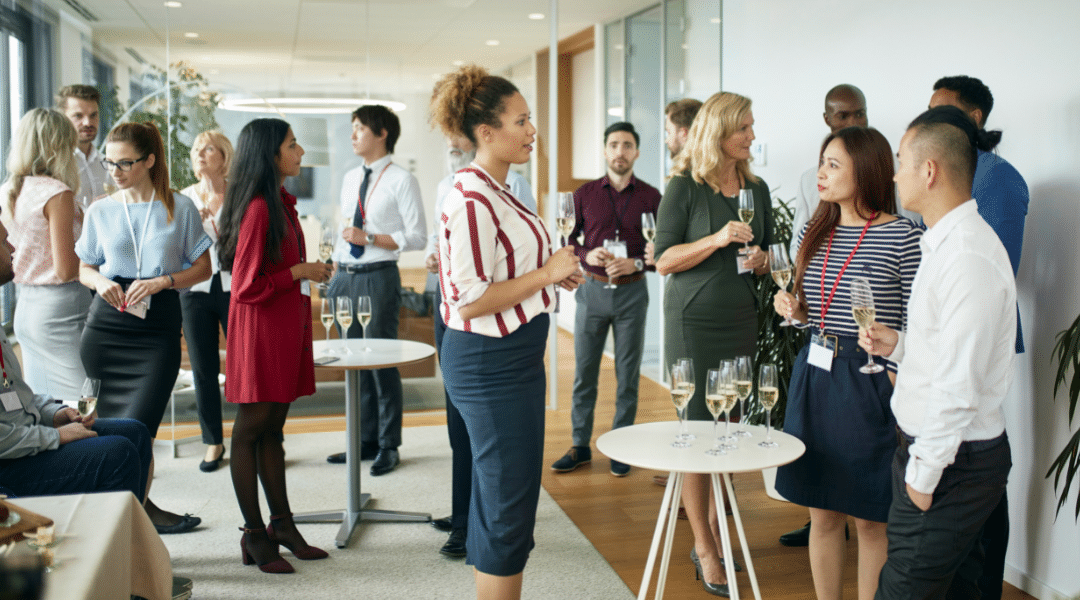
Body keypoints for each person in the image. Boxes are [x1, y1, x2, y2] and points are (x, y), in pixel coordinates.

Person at [430, 64, 582, 599]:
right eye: (521, 121)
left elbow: (512, 270)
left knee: (498, 495)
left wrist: (556, 269)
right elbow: (470, 301)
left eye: (531, 118)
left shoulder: (502, 190)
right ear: (486, 133)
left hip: (511, 357)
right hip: (488, 361)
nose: (532, 130)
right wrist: (547, 274)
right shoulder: (472, 199)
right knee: (507, 502)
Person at [860, 105, 1015, 600]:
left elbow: (959, 385)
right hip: (941, 455)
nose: (894, 173)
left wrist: (923, 477)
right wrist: (901, 345)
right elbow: (950, 352)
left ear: (929, 171)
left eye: (901, 161)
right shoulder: (943, 242)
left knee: (904, 592)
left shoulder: (966, 255)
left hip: (950, 463)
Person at [772, 127, 922, 600]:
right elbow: (814, 310)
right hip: (816, 377)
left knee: (871, 518)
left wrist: (897, 383)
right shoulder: (815, 232)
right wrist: (797, 314)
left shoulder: (903, 235)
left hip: (871, 378)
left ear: (868, 169)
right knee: (822, 512)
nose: (821, 173)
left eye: (834, 164)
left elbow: (921, 321)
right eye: (823, 161)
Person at [653, 91, 773, 597]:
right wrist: (717, 239)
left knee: (727, 425)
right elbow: (662, 260)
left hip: (739, 316)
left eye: (750, 126)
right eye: (743, 127)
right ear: (718, 132)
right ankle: (704, 546)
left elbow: (761, 249)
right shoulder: (684, 186)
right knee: (697, 427)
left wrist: (763, 259)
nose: (751, 135)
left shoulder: (757, 187)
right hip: (694, 320)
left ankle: (719, 532)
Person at [76, 121, 212, 534]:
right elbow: (84, 267)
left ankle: (127, 525)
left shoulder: (179, 207)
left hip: (157, 329)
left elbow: (203, 267)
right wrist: (100, 282)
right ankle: (127, 522)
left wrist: (164, 280)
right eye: (109, 162)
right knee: (104, 436)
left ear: (150, 160)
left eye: (125, 163)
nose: (114, 171)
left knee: (139, 432)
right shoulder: (100, 209)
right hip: (106, 328)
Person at [216, 118, 333, 574]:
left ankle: (282, 523)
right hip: (261, 331)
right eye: (292, 144)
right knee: (249, 430)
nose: (301, 151)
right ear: (271, 154)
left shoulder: (280, 203)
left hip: (281, 328)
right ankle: (253, 533)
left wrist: (303, 269)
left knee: (273, 431)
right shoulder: (261, 209)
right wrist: (301, 271)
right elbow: (245, 286)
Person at [928, 75, 1028, 600]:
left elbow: (996, 274)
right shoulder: (936, 174)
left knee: (980, 470)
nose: (932, 121)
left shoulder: (1000, 179)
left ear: (976, 119)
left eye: (943, 112)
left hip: (976, 343)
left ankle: (984, 587)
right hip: (933, 342)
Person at [425, 134, 536, 559]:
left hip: (499, 325)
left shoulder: (514, 188)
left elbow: (516, 257)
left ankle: (476, 524)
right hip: (459, 314)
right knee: (462, 426)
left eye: (459, 131)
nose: (452, 139)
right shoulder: (452, 188)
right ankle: (463, 518)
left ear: (480, 134)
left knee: (491, 442)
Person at [0, 213, 151, 501]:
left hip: (21, 436)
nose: (13, 248)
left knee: (135, 433)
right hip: (7, 462)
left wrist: (53, 414)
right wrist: (55, 437)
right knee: (118, 453)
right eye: (4, 241)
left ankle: (128, 539)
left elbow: (13, 395)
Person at [550, 121, 661, 477]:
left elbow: (665, 251)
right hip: (591, 291)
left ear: (636, 152)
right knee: (584, 373)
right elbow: (570, 242)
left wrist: (638, 261)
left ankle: (621, 444)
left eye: (627, 145)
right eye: (614, 144)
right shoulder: (584, 195)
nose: (620, 151)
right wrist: (587, 255)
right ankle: (579, 445)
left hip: (633, 292)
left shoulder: (653, 197)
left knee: (628, 375)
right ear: (604, 150)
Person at [325, 105, 427, 476]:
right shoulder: (351, 177)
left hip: (379, 276)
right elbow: (344, 229)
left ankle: (388, 444)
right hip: (345, 276)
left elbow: (417, 238)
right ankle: (363, 440)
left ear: (381, 133)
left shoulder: (402, 179)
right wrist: (335, 268)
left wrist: (369, 238)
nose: (353, 135)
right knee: (353, 360)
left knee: (380, 360)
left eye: (359, 128)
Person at [5, 108, 92, 401]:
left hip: (26, 307)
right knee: (84, 404)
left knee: (47, 405)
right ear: (59, 147)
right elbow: (66, 268)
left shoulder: (11, 190)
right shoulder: (56, 192)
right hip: (60, 311)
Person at [653, 97, 702, 490]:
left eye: (669, 130)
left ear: (684, 133)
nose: (666, 138)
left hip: (728, 316)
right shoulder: (680, 184)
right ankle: (690, 480)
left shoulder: (742, 187)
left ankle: (696, 479)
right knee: (690, 401)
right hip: (688, 308)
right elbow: (663, 258)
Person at [179, 130, 234, 473]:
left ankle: (260, 436)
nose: (201, 153)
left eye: (208, 148)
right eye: (197, 149)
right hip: (195, 291)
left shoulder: (239, 195)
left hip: (234, 287)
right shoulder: (183, 198)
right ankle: (213, 440)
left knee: (244, 363)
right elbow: (171, 249)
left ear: (223, 156)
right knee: (203, 368)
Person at [57, 85, 112, 208]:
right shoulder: (55, 165)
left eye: (93, 115)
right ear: (63, 118)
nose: (88, 123)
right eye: (78, 116)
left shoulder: (108, 164)